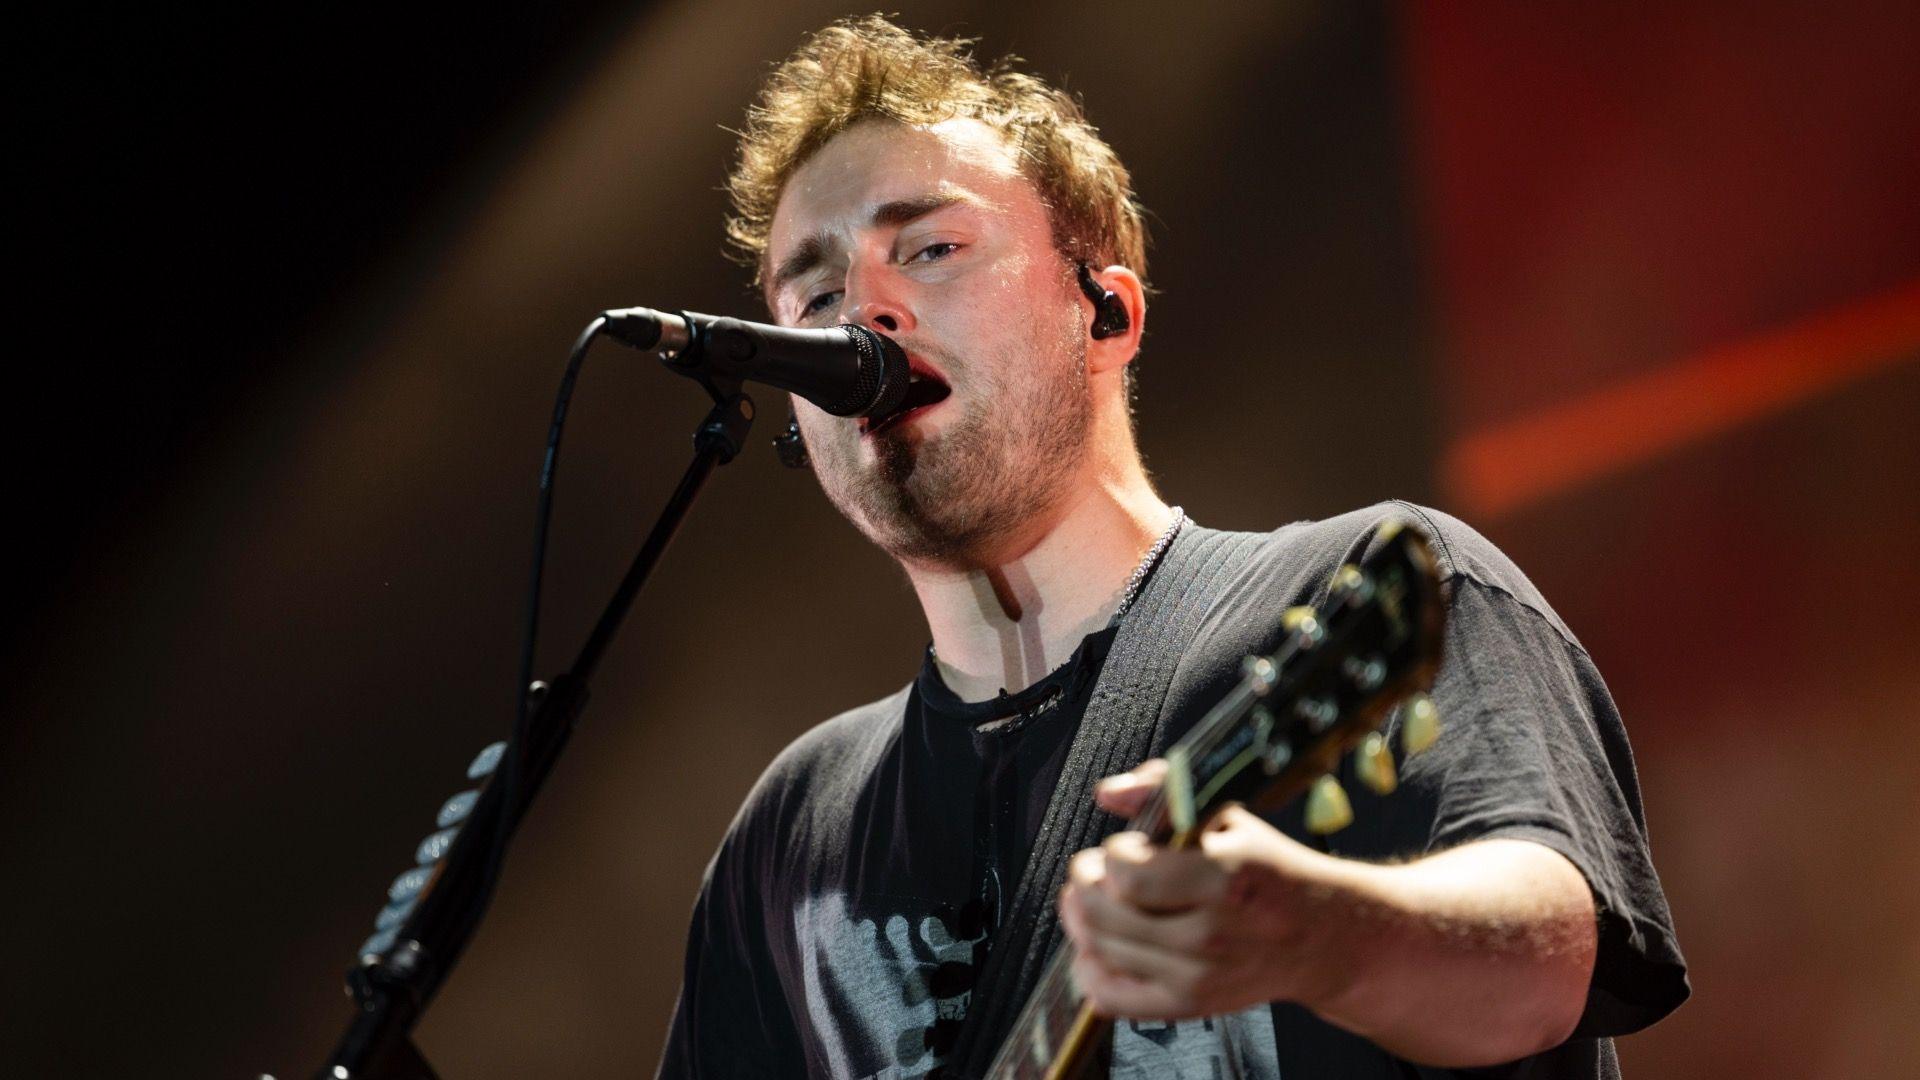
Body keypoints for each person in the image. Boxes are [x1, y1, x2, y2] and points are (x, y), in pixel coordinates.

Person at [658, 16, 1686, 1080]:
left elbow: (1552, 964)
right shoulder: (792, 833)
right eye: (815, 294)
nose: (861, 311)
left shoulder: (1354, 593)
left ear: (1106, 313)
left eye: (929, 248)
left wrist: (1321, 935)